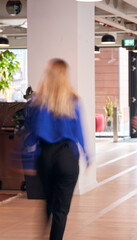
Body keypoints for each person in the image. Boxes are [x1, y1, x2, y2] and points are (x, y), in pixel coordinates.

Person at [24, 59, 90, 240]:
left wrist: (25, 160)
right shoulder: (74, 100)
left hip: (45, 156)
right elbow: (79, 132)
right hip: (67, 156)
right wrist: (87, 156)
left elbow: (32, 134)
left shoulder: (36, 103)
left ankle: (43, 234)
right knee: (61, 209)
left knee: (49, 200)